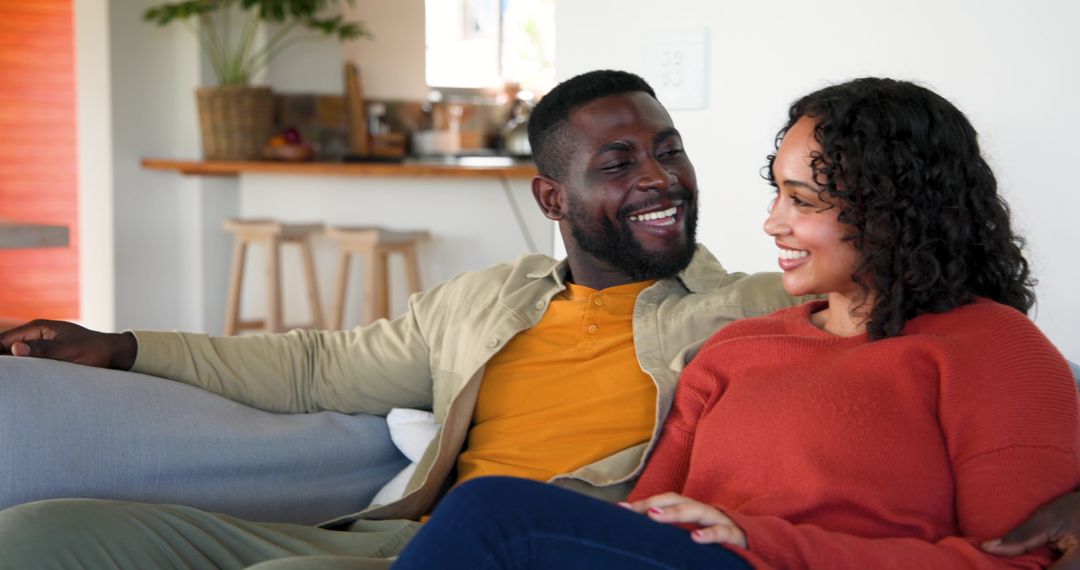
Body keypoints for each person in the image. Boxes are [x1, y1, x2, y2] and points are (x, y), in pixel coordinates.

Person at [0, 70, 798, 569]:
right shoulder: (485, 300)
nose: (662, 179)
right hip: (392, 535)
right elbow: (314, 366)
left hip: (524, 551)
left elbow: (891, 289)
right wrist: (124, 347)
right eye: (620, 163)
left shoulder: (750, 309)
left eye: (670, 149)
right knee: (41, 533)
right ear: (551, 199)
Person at [389, 77, 1080, 569]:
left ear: (896, 210)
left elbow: (1018, 563)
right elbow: (648, 516)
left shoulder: (990, 348)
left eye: (802, 199)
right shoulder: (736, 346)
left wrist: (763, 541)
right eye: (775, 191)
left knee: (493, 514)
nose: (772, 222)